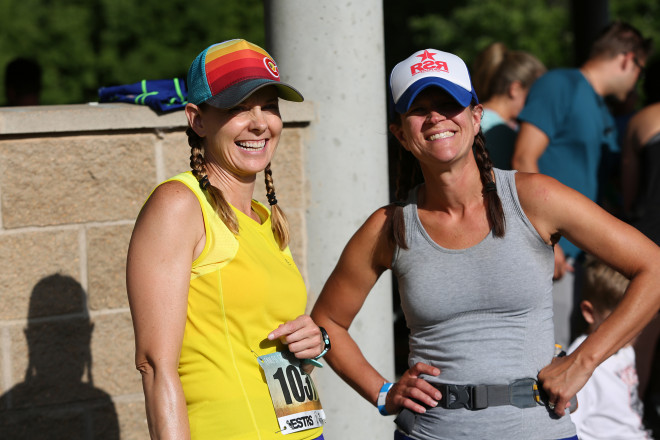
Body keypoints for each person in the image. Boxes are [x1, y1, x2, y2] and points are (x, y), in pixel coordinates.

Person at [310, 47, 660, 440]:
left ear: (475, 117)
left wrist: (585, 360)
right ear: (401, 134)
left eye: (449, 104)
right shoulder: (389, 226)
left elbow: (654, 267)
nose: (436, 117)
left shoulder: (535, 198)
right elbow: (326, 323)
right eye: (418, 109)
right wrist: (383, 392)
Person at [126, 39, 328, 440]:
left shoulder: (268, 219)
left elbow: (258, 348)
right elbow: (154, 364)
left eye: (269, 105)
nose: (259, 123)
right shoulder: (178, 204)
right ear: (197, 120)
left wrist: (312, 344)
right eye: (237, 108)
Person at [511, 21, 652, 348]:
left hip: (579, 259)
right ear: (627, 59)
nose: (637, 83)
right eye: (640, 72)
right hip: (548, 254)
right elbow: (523, 159)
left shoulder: (602, 108)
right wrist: (546, 239)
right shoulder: (560, 84)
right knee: (549, 360)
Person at [567, 256, 652, 439]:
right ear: (590, 313)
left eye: (638, 320)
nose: (634, 329)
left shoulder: (626, 349)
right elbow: (573, 425)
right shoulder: (582, 362)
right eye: (622, 322)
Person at [471, 42, 546, 169]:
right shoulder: (498, 131)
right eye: (535, 94)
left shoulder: (475, 118)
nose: (539, 102)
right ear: (515, 89)